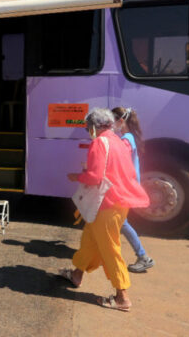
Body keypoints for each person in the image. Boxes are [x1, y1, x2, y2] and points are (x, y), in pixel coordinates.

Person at [60, 108, 150, 311]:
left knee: (110, 249)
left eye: (87, 126)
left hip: (106, 205)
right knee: (90, 240)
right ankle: (77, 274)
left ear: (94, 126)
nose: (86, 130)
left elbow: (95, 177)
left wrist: (77, 176)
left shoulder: (100, 143)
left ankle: (122, 296)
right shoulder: (118, 140)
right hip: (118, 203)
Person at [112, 107, 155, 273]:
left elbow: (118, 162)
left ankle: (143, 256)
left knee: (120, 222)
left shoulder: (126, 140)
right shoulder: (129, 137)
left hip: (123, 188)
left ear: (120, 121)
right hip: (126, 186)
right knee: (117, 223)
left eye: (112, 120)